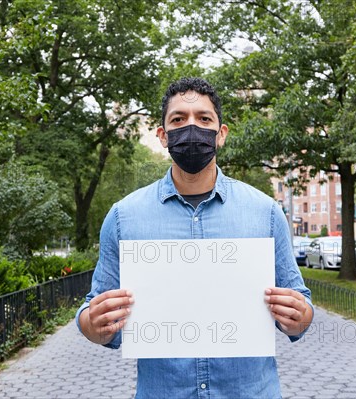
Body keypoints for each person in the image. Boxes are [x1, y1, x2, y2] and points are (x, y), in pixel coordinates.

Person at [76, 77, 313, 398]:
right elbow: (93, 313)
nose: (191, 127)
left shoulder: (265, 212)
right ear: (162, 135)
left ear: (221, 134)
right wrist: (95, 325)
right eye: (178, 119)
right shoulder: (123, 217)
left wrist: (298, 317)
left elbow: (301, 306)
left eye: (204, 119)